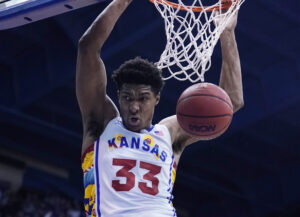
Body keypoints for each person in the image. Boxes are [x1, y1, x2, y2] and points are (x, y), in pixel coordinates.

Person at [77, 0, 244, 216]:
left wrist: (227, 32)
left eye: (143, 99)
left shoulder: (169, 133)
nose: (134, 107)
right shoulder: (101, 123)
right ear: (118, 97)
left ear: (157, 99)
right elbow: (87, 47)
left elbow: (232, 101)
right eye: (127, 98)